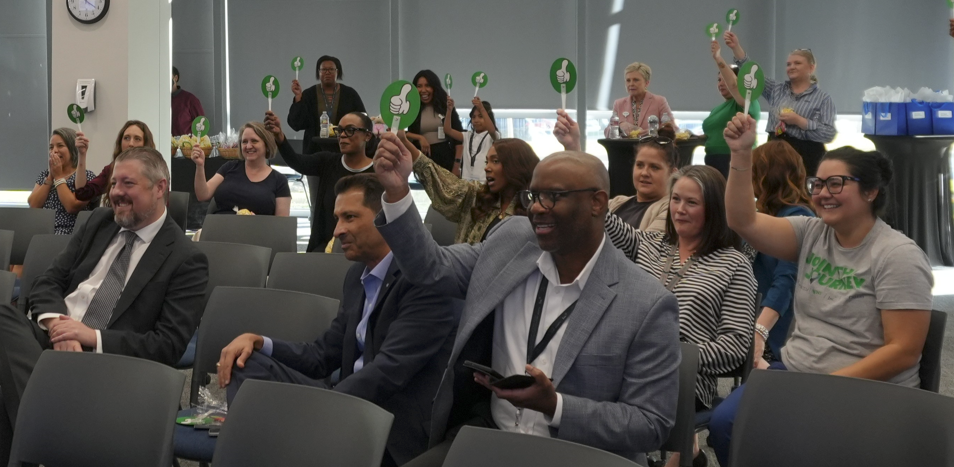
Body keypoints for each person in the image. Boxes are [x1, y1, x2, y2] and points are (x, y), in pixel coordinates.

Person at [373, 132, 682, 467]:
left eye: (553, 197)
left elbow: (651, 425)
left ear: (597, 203)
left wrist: (556, 406)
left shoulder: (646, 302)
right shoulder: (511, 242)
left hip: (577, 455)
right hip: (491, 437)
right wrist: (397, 191)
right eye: (533, 195)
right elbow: (430, 268)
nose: (536, 208)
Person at [709, 113, 933, 467]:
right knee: (725, 425)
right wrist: (741, 153)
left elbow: (903, 351)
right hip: (797, 373)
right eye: (818, 184)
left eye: (837, 183)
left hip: (863, 388)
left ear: (871, 191)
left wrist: (824, 387)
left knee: (794, 440)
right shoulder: (811, 233)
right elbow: (742, 221)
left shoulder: (898, 256)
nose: (823, 193)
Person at [217, 174, 455, 466]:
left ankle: (282, 443)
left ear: (387, 219)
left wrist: (321, 409)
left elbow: (388, 373)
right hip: (344, 400)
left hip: (389, 424)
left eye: (350, 217)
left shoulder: (425, 279)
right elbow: (322, 355)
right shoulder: (357, 275)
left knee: (275, 427)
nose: (337, 230)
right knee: (247, 361)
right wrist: (259, 341)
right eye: (337, 218)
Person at [0, 147, 209, 462]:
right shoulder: (100, 221)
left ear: (160, 188)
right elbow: (48, 281)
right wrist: (60, 327)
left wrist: (89, 337)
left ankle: (39, 429)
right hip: (53, 341)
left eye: (128, 184)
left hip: (110, 362)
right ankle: (50, 422)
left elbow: (166, 345)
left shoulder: (186, 258)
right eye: (113, 184)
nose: (116, 193)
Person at [603, 165, 756, 467]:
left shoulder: (733, 265)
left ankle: (679, 453)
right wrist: (571, 151)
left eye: (692, 202)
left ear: (713, 209)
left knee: (612, 393)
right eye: (675, 199)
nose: (679, 209)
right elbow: (601, 217)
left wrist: (672, 353)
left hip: (684, 376)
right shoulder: (649, 244)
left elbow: (736, 348)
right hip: (624, 362)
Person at [723, 32, 836, 176]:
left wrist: (800, 121)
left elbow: (829, 134)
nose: (791, 67)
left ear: (811, 68)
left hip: (805, 157)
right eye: (788, 64)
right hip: (774, 153)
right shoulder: (776, 90)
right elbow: (753, 73)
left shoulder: (823, 98)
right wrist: (736, 47)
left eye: (797, 63)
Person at [264, 110, 375, 252]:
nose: (342, 135)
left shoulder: (378, 172)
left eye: (350, 130)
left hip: (365, 252)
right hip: (326, 249)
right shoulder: (328, 162)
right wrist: (280, 137)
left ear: (367, 136)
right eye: (339, 130)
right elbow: (297, 162)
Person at [401, 132, 538, 244]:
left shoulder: (536, 210)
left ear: (516, 165)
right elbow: (435, 174)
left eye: (495, 161)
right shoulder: (477, 197)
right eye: (486, 161)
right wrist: (404, 142)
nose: (487, 167)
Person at [749, 141, 815, 363]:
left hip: (776, 328)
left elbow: (786, 281)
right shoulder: (771, 214)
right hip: (764, 318)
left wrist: (759, 330)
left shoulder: (797, 219)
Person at [556, 110, 673, 232]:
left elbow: (643, 246)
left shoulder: (670, 209)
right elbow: (583, 206)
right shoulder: (616, 203)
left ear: (672, 173)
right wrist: (572, 146)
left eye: (654, 167)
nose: (644, 173)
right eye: (640, 165)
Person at [192, 121, 291, 216]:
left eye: (254, 141)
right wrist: (200, 166)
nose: (248, 146)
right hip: (221, 228)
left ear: (267, 145)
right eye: (244, 142)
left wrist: (259, 223)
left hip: (257, 231)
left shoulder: (279, 181)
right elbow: (203, 195)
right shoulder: (230, 167)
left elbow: (281, 225)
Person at [702, 41, 761, 178]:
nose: (721, 84)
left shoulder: (747, 101)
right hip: (712, 158)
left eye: (724, 79)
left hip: (733, 157)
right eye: (718, 80)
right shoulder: (717, 109)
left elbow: (734, 85)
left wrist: (718, 58)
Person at [288, 55, 366, 154]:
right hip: (314, 151)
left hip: (343, 151)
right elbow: (296, 124)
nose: (327, 72)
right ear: (318, 72)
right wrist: (298, 97)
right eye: (324, 69)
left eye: (331, 69)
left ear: (338, 72)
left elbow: (362, 119)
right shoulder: (309, 94)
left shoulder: (350, 94)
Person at [27, 128, 97, 235]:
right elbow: (33, 205)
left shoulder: (87, 176)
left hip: (72, 235)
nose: (54, 150)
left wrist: (59, 177)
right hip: (44, 234)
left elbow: (72, 206)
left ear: (72, 148)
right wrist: (51, 176)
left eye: (60, 146)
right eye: (51, 147)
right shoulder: (45, 175)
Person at [75, 120, 156, 206]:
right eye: (126, 138)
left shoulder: (155, 170)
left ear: (145, 144)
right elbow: (82, 193)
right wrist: (82, 154)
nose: (131, 144)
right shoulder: (112, 169)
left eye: (137, 139)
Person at [406, 70, 464, 173]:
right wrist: (420, 137)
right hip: (424, 160)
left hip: (446, 157)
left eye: (427, 85)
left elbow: (459, 138)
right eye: (419, 86)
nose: (423, 90)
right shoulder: (412, 109)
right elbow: (406, 134)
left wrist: (457, 166)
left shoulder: (445, 106)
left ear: (434, 87)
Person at [604, 62, 678, 138]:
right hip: (625, 147)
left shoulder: (659, 101)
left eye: (636, 80)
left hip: (651, 147)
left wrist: (652, 132)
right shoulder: (619, 104)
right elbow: (607, 132)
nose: (631, 84)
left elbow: (672, 129)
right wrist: (619, 128)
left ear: (646, 83)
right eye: (628, 80)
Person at [445, 96, 499, 181]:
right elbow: (447, 130)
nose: (476, 120)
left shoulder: (492, 136)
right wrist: (449, 110)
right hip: (467, 181)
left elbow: (492, 130)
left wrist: (482, 108)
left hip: (483, 181)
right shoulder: (467, 135)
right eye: (473, 117)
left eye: (480, 116)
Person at [171, 66, 206, 137]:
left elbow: (202, 124)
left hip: (186, 145)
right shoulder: (158, 100)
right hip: (161, 144)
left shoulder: (190, 99)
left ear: (176, 78)